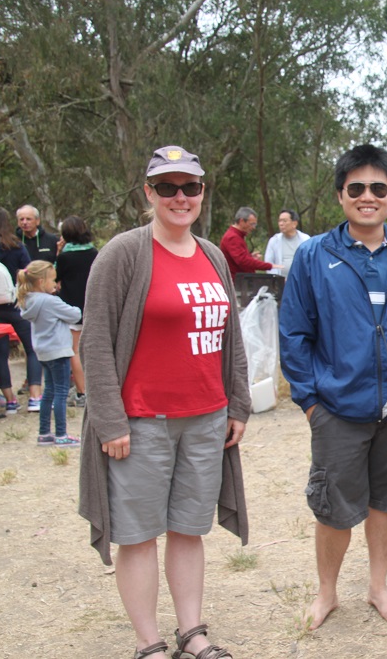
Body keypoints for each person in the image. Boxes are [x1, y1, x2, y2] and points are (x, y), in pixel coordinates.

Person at [78, 145, 250, 659]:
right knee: (137, 536)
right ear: (149, 193)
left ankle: (192, 633)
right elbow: (96, 341)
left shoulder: (212, 255)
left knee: (188, 530)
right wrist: (109, 420)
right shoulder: (123, 254)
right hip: (140, 423)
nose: (180, 197)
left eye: (189, 187)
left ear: (202, 192)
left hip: (206, 418)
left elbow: (231, 337)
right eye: (167, 187)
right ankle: (148, 643)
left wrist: (237, 404)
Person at [280, 144, 387, 630]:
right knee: (333, 509)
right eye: (356, 188)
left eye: (378, 188)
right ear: (340, 195)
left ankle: (378, 586)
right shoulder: (314, 255)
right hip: (337, 409)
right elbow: (294, 333)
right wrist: (311, 401)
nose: (367, 197)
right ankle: (327, 593)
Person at [0, 207, 42, 413]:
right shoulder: (16, 246)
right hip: (15, 305)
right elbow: (28, 274)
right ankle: (35, 396)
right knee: (32, 348)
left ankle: (10, 400)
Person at [18, 260, 81, 446]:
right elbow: (75, 315)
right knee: (61, 393)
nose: (55, 284)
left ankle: (44, 433)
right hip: (59, 350)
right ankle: (61, 434)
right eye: (53, 280)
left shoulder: (28, 301)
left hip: (43, 351)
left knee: (49, 392)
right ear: (41, 282)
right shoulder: (50, 301)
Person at [56, 215, 98, 408]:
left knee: (75, 350)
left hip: (71, 308)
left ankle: (83, 392)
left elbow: (55, 277)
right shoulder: (94, 253)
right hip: (92, 306)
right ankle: (96, 389)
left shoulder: (64, 257)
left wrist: (58, 252)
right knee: (93, 349)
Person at [219, 206, 276, 279]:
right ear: (242, 221)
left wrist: (250, 257)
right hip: (237, 282)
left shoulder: (238, 236)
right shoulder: (232, 237)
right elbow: (242, 261)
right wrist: (270, 266)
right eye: (252, 224)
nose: (253, 227)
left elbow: (239, 258)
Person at [263, 209, 310, 277]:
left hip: (300, 280)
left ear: (294, 224)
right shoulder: (274, 240)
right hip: (279, 280)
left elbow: (310, 262)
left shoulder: (306, 239)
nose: (281, 224)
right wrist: (277, 278)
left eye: (284, 221)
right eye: (279, 221)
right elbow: (269, 263)